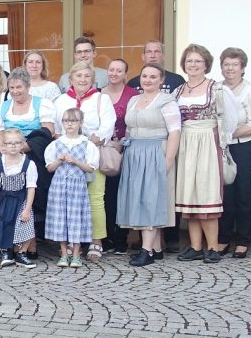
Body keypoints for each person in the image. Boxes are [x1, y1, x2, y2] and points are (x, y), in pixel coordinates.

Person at [174, 44, 239, 264]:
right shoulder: (178, 91)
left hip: (208, 142)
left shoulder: (217, 89)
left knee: (207, 194)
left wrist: (220, 141)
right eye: (189, 61)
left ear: (206, 65)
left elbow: (231, 118)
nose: (193, 65)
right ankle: (195, 246)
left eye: (198, 61)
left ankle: (212, 246)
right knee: (189, 195)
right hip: (185, 143)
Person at [117, 63, 181, 266]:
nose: (148, 80)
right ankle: (157, 248)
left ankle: (147, 251)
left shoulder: (166, 101)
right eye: (144, 76)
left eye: (153, 76)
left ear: (161, 80)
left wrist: (168, 161)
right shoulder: (134, 100)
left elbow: (175, 132)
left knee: (151, 199)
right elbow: (129, 129)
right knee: (139, 198)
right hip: (134, 153)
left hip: (155, 152)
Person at [54, 60, 115, 260]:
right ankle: (73, 240)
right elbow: (56, 127)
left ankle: (96, 241)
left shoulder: (101, 99)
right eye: (78, 76)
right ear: (70, 79)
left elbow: (108, 124)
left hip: (91, 152)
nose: (82, 79)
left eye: (87, 76)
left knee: (95, 199)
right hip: (68, 156)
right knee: (70, 200)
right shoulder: (61, 100)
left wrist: (94, 139)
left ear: (93, 79)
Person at [0, 69, 57, 241]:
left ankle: (32, 240)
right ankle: (11, 235)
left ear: (28, 86)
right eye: (12, 87)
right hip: (10, 155)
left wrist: (25, 147)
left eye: (19, 87)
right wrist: (4, 149)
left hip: (34, 154)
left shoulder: (41, 104)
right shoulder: (4, 106)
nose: (15, 91)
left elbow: (48, 131)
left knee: (33, 192)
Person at [217, 47, 251, 258]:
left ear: (242, 67)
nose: (230, 68)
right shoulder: (216, 89)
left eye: (235, 64)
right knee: (225, 193)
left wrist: (230, 132)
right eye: (226, 64)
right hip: (222, 146)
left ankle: (243, 240)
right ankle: (224, 237)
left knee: (244, 192)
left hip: (243, 145)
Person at [45, 107, 100, 268]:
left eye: (73, 121)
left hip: (77, 186)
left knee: (76, 218)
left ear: (80, 123)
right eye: (66, 121)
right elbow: (50, 168)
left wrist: (75, 161)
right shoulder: (56, 144)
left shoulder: (86, 144)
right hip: (59, 186)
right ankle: (63, 252)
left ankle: (76, 253)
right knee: (60, 218)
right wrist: (59, 160)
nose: (69, 124)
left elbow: (91, 168)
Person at [101, 58, 138, 255]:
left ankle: (122, 238)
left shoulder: (133, 95)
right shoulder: (99, 94)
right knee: (105, 195)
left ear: (125, 74)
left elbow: (135, 122)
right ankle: (106, 236)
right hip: (104, 152)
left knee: (123, 194)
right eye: (111, 70)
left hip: (126, 150)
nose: (114, 73)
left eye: (119, 70)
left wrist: (123, 143)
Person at [0, 128, 38, 269]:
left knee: (25, 225)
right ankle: (6, 252)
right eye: (9, 143)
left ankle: (22, 253)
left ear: (22, 144)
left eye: (16, 143)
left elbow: (31, 187)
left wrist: (27, 208)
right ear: (3, 146)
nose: (13, 146)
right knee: (3, 224)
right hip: (4, 200)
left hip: (21, 200)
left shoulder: (28, 164)